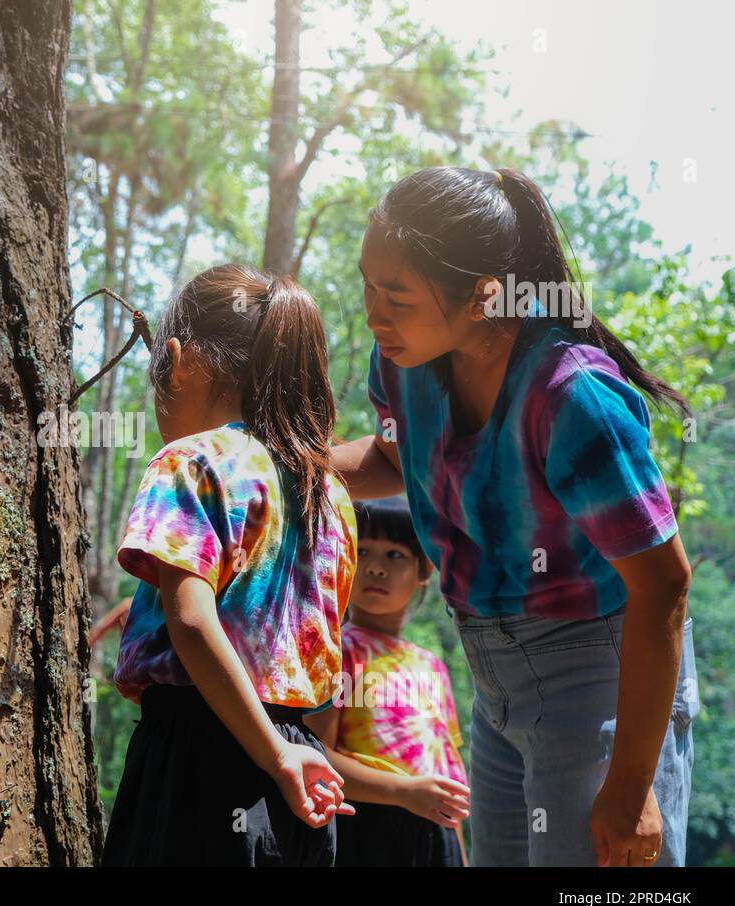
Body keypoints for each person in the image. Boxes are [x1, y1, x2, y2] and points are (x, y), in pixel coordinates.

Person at [332, 166, 697, 866]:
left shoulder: (571, 398)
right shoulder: (407, 363)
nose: (374, 314)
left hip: (601, 676)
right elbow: (394, 461)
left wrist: (629, 785)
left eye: (397, 297)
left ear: (481, 296)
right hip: (493, 681)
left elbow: (663, 588)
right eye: (367, 286)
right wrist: (291, 462)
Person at [94, 263, 358, 865]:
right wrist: (282, 753)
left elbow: (191, 622)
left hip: (199, 754)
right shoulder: (329, 494)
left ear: (180, 361)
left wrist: (272, 753)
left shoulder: (191, 461)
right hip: (297, 768)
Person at [304, 495, 470, 866]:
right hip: (363, 827)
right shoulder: (335, 651)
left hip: (436, 832)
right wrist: (401, 791)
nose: (376, 568)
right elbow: (316, 757)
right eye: (361, 552)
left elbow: (445, 771)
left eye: (395, 555)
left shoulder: (431, 666)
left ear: (424, 571)